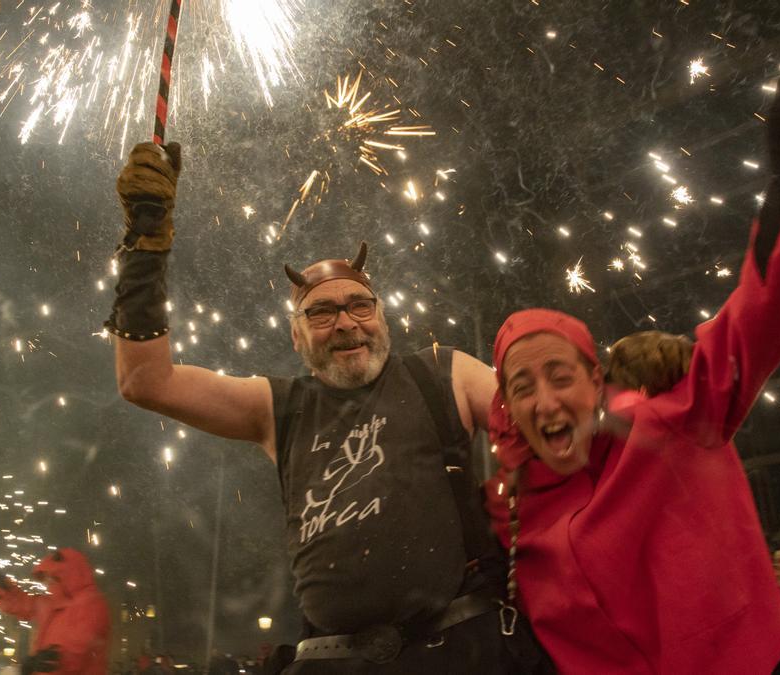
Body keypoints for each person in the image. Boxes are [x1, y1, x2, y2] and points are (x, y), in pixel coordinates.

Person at [481, 40, 780, 674]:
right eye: (523, 386)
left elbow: (766, 309)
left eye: (560, 375)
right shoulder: (506, 513)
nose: (546, 400)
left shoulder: (675, 415)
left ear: (596, 376)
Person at [108, 133, 548, 672]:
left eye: (359, 305)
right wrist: (144, 246)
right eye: (320, 313)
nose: (344, 322)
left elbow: (548, 424)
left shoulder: (443, 373)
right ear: (296, 338)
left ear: (383, 317)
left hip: (458, 653)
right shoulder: (279, 408)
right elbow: (146, 381)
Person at [0, 545, 110, 674]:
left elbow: (72, 657)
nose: (46, 582)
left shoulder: (91, 605)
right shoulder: (52, 604)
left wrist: (27, 667)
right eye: (45, 578)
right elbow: (18, 601)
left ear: (64, 575)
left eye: (50, 577)